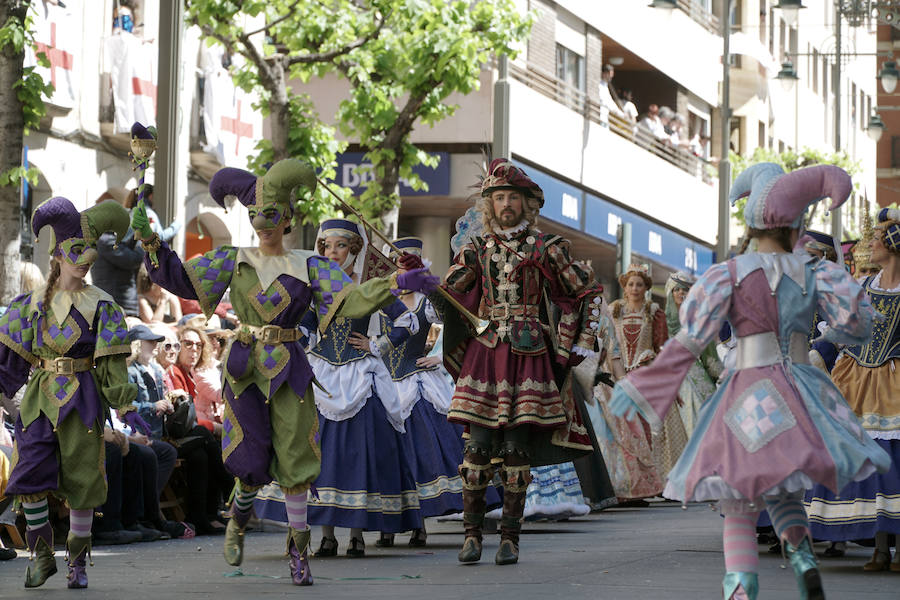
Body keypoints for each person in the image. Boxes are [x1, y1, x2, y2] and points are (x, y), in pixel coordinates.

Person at [133, 157, 438, 586]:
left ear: (289, 218)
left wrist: (397, 284)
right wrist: (151, 244)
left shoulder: (308, 264)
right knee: (250, 457)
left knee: (297, 456)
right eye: (256, 215)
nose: (263, 223)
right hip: (244, 369)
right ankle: (240, 510)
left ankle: (299, 549)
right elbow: (183, 280)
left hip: (292, 367)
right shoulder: (232, 259)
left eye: (272, 215)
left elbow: (349, 300)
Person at [609, 162, 891, 600]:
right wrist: (819, 341)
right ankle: (804, 564)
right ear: (798, 224)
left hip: (749, 394)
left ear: (752, 222)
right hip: (802, 391)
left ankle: (741, 590)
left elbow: (691, 339)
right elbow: (858, 326)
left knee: (739, 502)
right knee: (785, 489)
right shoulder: (815, 273)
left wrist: (646, 385)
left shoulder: (730, 274)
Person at [433, 158, 599, 565]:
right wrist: (419, 279)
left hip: (530, 358)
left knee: (515, 452)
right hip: (484, 356)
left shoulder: (547, 248)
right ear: (488, 205)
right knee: (476, 452)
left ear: (528, 203)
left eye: (513, 197)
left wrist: (576, 344)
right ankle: (472, 536)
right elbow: (449, 296)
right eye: (499, 197)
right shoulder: (475, 249)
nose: (506, 204)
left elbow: (586, 294)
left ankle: (510, 539)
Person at [0, 196, 150, 589]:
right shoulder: (29, 305)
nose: (85, 258)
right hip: (39, 400)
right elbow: (10, 363)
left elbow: (111, 366)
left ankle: (78, 562)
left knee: (84, 483)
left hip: (84, 400)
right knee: (28, 475)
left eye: (90, 250)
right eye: (75, 250)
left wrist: (127, 404)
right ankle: (42, 553)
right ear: (57, 254)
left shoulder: (103, 305)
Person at [369, 237, 500, 546]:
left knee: (423, 452)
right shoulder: (379, 297)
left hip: (417, 384)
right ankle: (388, 525)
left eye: (411, 260)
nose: (405, 265)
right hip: (383, 382)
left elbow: (460, 328)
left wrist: (440, 357)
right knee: (387, 454)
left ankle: (419, 526)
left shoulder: (429, 301)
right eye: (400, 260)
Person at [304, 220, 425, 556]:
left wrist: (377, 345)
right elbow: (306, 326)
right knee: (323, 458)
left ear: (354, 251)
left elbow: (408, 320)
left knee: (357, 455)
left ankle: (356, 534)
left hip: (361, 377)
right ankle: (327, 536)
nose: (332, 253)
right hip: (323, 377)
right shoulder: (317, 290)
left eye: (340, 246)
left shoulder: (368, 287)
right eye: (327, 247)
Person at [806, 207, 900, 572]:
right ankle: (879, 548)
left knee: (893, 465)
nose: (870, 246)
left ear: (893, 244)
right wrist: (818, 353)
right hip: (855, 378)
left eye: (876, 239)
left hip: (892, 379)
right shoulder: (863, 287)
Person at [608, 264, 675, 494]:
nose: (634, 288)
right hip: (616, 376)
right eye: (630, 284)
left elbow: (662, 346)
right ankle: (624, 484)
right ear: (624, 287)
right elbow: (608, 343)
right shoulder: (614, 310)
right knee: (620, 431)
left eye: (639, 284)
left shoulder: (653, 310)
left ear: (646, 288)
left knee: (643, 429)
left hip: (643, 375)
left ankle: (646, 483)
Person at [665, 271, 722, 437]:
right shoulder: (660, 320)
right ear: (670, 293)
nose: (681, 293)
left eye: (685, 289)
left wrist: (721, 375)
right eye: (676, 289)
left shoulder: (699, 321)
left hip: (696, 382)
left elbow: (709, 356)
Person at [90, 196, 145, 318]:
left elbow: (125, 250)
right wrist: (142, 240)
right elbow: (133, 260)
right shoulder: (106, 242)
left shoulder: (103, 240)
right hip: (119, 306)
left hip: (118, 305)